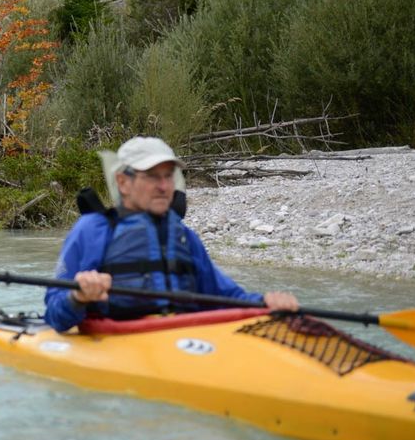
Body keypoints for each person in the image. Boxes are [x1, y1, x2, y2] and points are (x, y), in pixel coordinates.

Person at [44, 136, 298, 332]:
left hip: (178, 338)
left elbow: (227, 298)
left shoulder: (185, 237)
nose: (165, 186)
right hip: (118, 337)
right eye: (153, 177)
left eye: (168, 176)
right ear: (123, 182)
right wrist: (78, 296)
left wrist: (266, 302)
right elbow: (55, 315)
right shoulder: (92, 230)